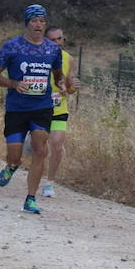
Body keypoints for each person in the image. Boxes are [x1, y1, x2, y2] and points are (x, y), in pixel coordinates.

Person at [0, 5, 66, 213]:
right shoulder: (12, 46)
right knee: (15, 156)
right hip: (17, 108)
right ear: (27, 23)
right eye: (34, 21)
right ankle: (12, 166)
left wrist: (62, 84)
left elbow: (58, 75)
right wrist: (13, 84)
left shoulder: (53, 49)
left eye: (42, 21)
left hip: (42, 107)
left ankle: (30, 198)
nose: (38, 25)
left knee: (41, 149)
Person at [42, 25, 80, 197]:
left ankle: (49, 184)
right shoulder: (37, 56)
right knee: (38, 147)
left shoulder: (68, 59)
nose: (58, 42)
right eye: (53, 40)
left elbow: (70, 87)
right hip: (38, 108)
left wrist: (73, 87)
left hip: (59, 109)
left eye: (60, 39)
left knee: (57, 146)